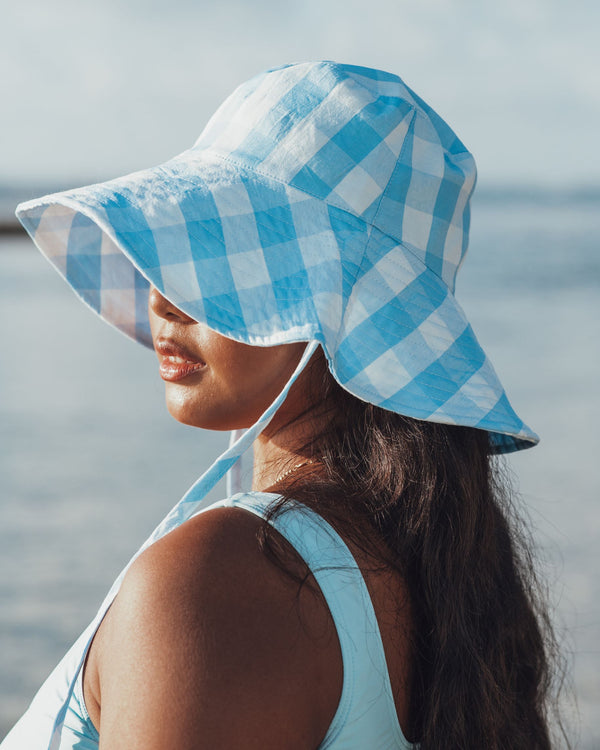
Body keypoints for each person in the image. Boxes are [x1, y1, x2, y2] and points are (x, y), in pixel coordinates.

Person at [4, 61, 562, 749]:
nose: (164, 297)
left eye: (224, 261)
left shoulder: (225, 581)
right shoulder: (440, 578)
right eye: (177, 251)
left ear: (338, 307)